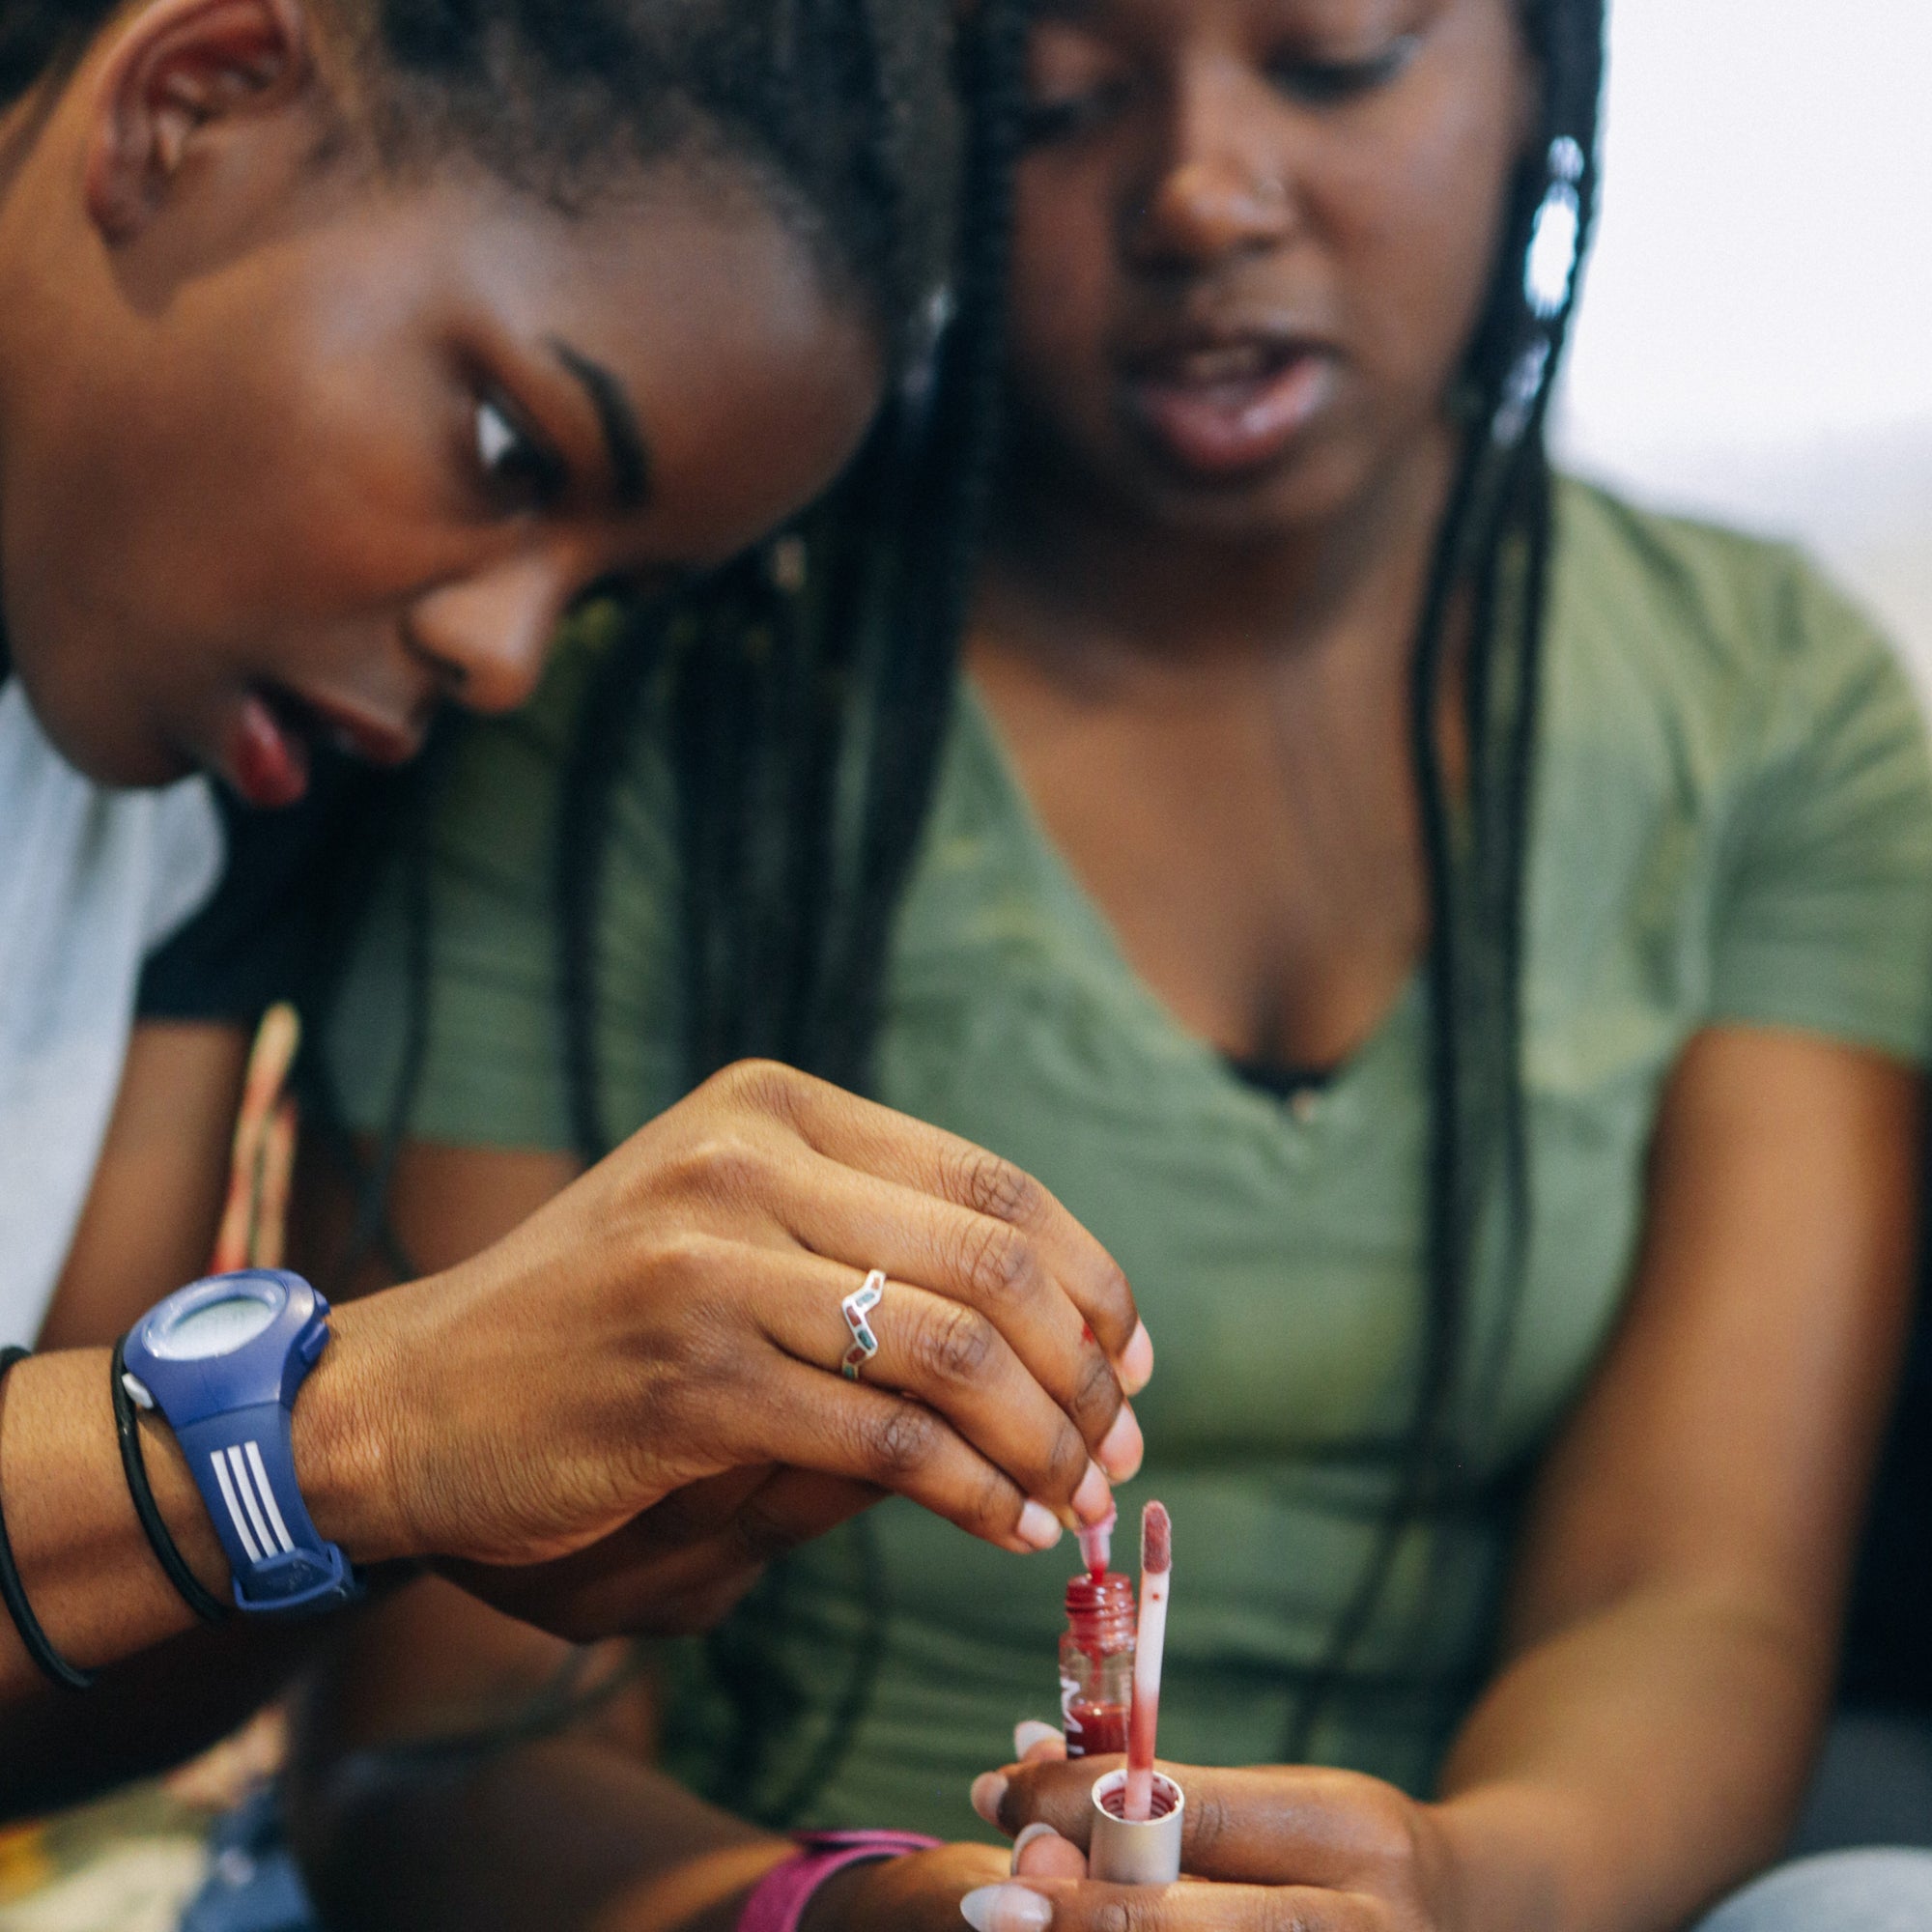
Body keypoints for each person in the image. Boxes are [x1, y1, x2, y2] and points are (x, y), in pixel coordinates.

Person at [284, 0, 1932, 1926]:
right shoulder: (648, 687)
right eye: (1057, 100)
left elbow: (1692, 1595)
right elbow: (435, 1758)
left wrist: (1448, 1886)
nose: (1201, 194)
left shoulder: (1762, 712)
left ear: (1535, 85)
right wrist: (857, 1913)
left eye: (1331, 61)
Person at [0, 0, 1154, 1824]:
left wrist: (438, 1507)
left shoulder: (199, 771)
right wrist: (362, 1422)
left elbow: (47, 1665)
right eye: (510, 449)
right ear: (192, 102)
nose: (505, 655)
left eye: (612, 585)